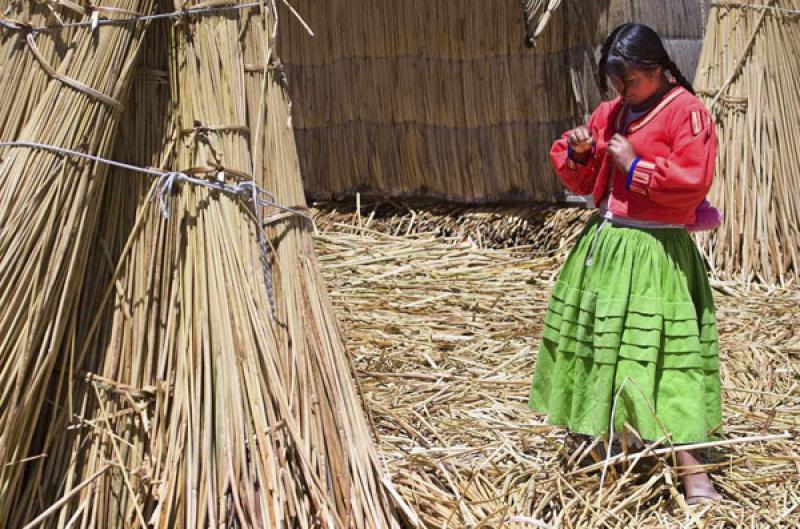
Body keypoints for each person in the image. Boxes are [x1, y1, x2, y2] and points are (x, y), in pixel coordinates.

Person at [528, 23, 722, 504]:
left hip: (657, 253)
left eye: (631, 81)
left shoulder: (687, 113)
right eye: (616, 82)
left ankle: (694, 475)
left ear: (659, 69)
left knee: (667, 362)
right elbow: (586, 174)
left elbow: (693, 178)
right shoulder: (611, 112)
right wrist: (580, 152)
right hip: (608, 250)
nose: (622, 91)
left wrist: (636, 165)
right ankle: (606, 449)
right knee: (602, 349)